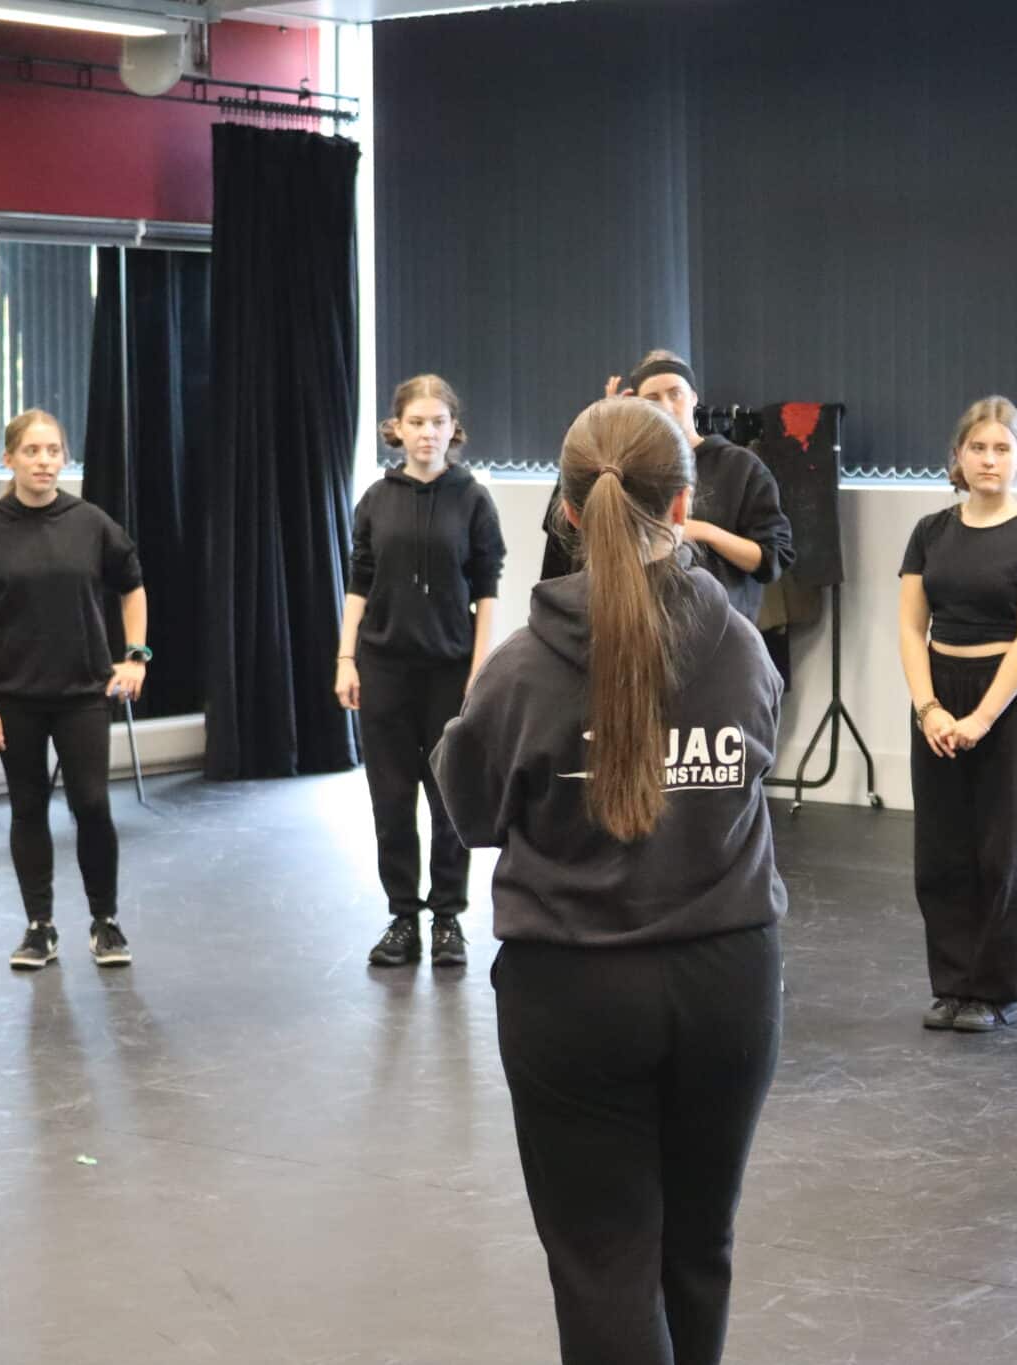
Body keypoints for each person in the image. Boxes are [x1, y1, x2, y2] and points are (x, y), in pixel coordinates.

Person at [432, 397, 784, 1365]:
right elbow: (756, 759)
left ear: (570, 513)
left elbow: (464, 807)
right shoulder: (739, 648)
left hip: (575, 992)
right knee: (697, 1247)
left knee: (602, 1264)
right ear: (682, 507)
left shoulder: (519, 672)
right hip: (727, 984)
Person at [897, 397, 1017, 1032]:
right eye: (978, 448)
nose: (989, 460)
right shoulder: (930, 532)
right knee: (941, 849)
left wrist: (979, 719)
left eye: (1002, 449)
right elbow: (912, 627)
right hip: (940, 692)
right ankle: (952, 985)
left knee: (1005, 848)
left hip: (1008, 699)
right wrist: (930, 709)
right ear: (958, 458)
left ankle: (994, 992)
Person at [0, 409, 147, 971]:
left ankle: (105, 922)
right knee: (28, 809)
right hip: (14, 698)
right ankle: (39, 927)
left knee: (92, 805)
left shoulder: (91, 524)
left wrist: (136, 656)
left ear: (65, 458)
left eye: (53, 451)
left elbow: (133, 587)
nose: (44, 461)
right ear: (9, 458)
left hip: (84, 692)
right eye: (32, 451)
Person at [337, 375, 505, 969]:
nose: (427, 432)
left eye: (437, 422)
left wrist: (480, 664)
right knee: (389, 797)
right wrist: (345, 657)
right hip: (383, 667)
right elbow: (359, 580)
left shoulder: (473, 498)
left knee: (447, 798)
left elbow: (486, 587)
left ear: (452, 429)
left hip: (450, 669)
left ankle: (448, 919)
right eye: (416, 422)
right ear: (396, 429)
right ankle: (402, 916)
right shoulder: (375, 500)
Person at [540, 350, 795, 625]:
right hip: (627, 627)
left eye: (676, 393)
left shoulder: (741, 468)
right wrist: (606, 432)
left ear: (694, 397)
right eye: (653, 398)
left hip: (716, 631)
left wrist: (704, 532)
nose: (668, 406)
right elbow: (569, 534)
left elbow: (772, 559)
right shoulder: (624, 465)